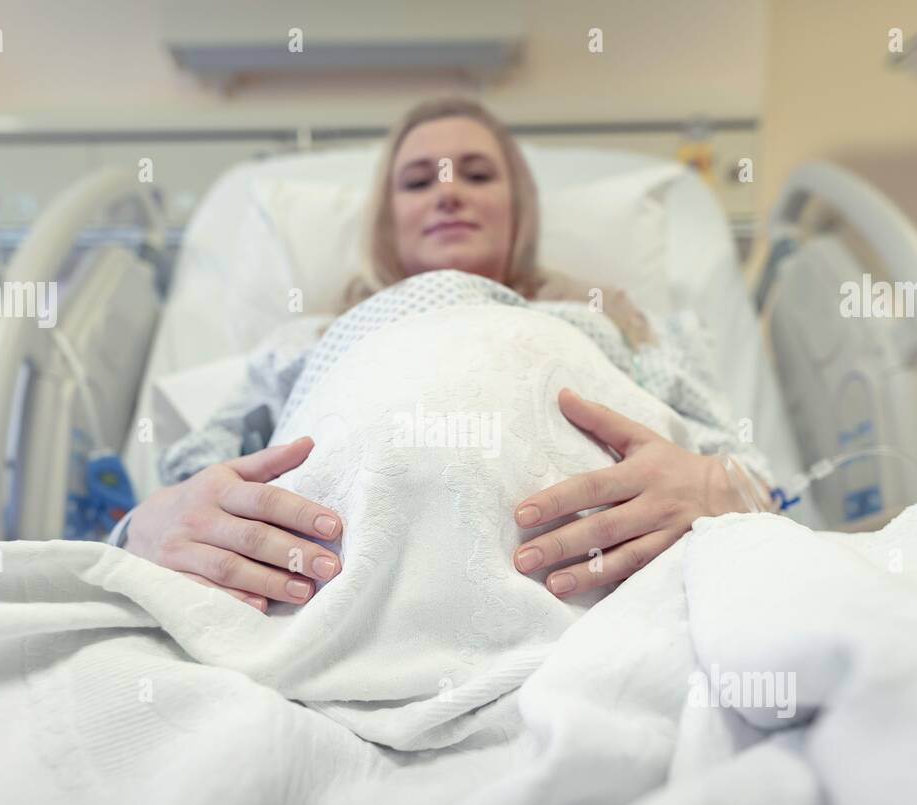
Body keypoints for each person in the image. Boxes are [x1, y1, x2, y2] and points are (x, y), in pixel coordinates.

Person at [116, 97, 771, 612]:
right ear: (385, 220)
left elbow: (749, 484)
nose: (448, 192)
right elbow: (187, 495)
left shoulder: (619, 329)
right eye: (418, 181)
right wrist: (144, 528)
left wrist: (720, 490)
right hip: (325, 605)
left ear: (522, 212)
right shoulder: (307, 344)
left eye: (478, 175)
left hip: (598, 610)